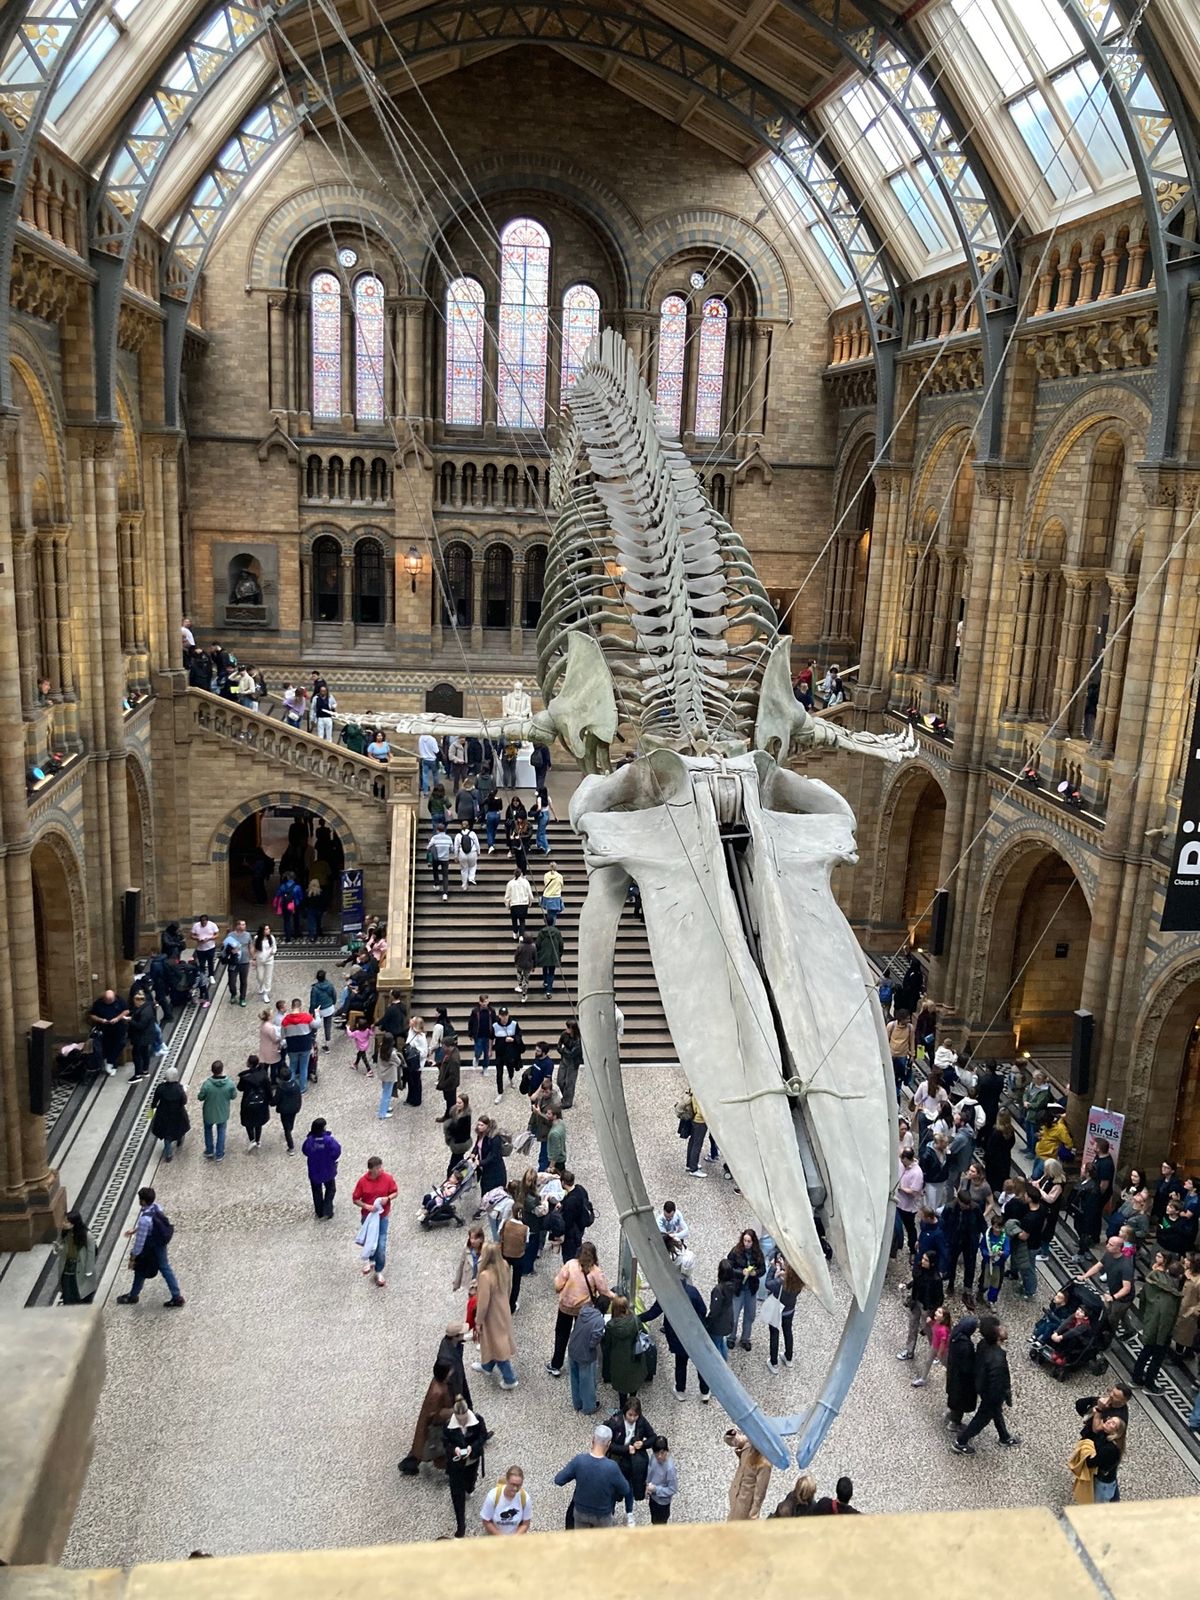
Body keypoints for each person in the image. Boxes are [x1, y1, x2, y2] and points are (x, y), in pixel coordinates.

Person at [952, 1316, 1018, 1453]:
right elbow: (997, 1384)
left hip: (983, 1387)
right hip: (991, 1395)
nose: (1004, 1328)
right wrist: (1001, 1396)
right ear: (996, 1335)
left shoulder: (983, 1344)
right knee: (982, 1419)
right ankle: (961, 1442)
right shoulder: (998, 1359)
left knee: (997, 1412)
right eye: (1000, 1327)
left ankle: (1004, 1436)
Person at [548, 1241, 610, 1376]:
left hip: (565, 1307)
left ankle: (556, 1365)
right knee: (581, 1336)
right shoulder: (595, 1271)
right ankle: (579, 1363)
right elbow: (604, 1291)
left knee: (561, 1335)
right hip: (584, 1310)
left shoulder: (570, 1264)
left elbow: (558, 1285)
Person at [116, 1186, 184, 1307]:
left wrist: (133, 1257)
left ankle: (133, 1295)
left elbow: (139, 1244)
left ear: (142, 1201)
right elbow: (152, 1225)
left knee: (140, 1269)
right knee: (165, 1268)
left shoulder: (144, 1220)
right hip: (160, 1244)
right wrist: (137, 1230)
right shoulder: (157, 1207)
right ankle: (176, 1295)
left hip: (150, 1247)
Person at [554, 1425, 630, 1530]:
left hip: (580, 1512)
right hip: (602, 1514)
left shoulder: (579, 1461)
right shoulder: (612, 1467)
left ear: (593, 1440)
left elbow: (559, 1480)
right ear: (609, 1444)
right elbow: (625, 1489)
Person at [1131, 1251, 1184, 1392]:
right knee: (1157, 1357)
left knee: (1145, 1352)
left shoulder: (1154, 1282)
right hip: (1160, 1331)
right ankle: (1149, 1384)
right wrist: (1164, 1337)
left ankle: (1136, 1378)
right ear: (1179, 1276)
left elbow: (1142, 1299)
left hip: (1150, 1322)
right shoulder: (1170, 1297)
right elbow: (1166, 1318)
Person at [471, 1240, 519, 1388]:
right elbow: (509, 1287)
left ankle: (510, 1378)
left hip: (492, 1314)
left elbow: (483, 1302)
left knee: (497, 1344)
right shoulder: (503, 1266)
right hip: (502, 1308)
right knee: (496, 1340)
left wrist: (478, 1322)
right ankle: (487, 1365)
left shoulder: (485, 1275)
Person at [398, 1359, 454, 1477]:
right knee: (438, 1449)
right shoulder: (437, 1392)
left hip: (429, 1425)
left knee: (423, 1446)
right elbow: (434, 1413)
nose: (452, 1372)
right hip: (435, 1427)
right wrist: (450, 1412)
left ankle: (410, 1464)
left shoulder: (438, 1384)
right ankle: (451, 1470)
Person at [606, 1394, 656, 1524]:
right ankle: (610, 1514)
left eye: (635, 1415)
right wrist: (626, 1449)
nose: (633, 1418)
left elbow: (652, 1437)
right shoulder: (615, 1422)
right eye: (630, 1415)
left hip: (632, 1462)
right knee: (613, 1489)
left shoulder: (641, 1422)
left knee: (629, 1488)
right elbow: (608, 1444)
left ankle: (629, 1513)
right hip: (617, 1460)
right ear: (624, 1413)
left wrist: (643, 1444)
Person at [443, 1396, 488, 1537]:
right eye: (459, 1418)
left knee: (470, 1481)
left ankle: (470, 1487)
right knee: (457, 1494)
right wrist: (454, 1449)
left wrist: (472, 1448)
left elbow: (483, 1436)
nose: (462, 1422)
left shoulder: (477, 1420)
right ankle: (460, 1526)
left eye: (464, 1418)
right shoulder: (448, 1425)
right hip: (456, 1463)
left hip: (472, 1460)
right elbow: (445, 1443)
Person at [352, 1155, 397, 1285]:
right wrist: (366, 1206)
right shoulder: (362, 1182)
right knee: (370, 1241)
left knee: (381, 1245)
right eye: (378, 1168)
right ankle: (371, 1261)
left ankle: (379, 1270)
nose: (380, 1170)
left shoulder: (387, 1178)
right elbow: (355, 1199)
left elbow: (395, 1192)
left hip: (382, 1217)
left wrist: (387, 1198)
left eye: (380, 1167)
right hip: (368, 1217)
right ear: (371, 1169)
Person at [897, 1249, 944, 1362]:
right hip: (916, 1301)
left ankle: (935, 1352)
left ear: (931, 1263)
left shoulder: (936, 1279)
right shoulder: (919, 1269)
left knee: (928, 1330)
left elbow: (939, 1298)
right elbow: (917, 1280)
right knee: (912, 1325)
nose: (922, 1261)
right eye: (923, 1258)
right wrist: (907, 1286)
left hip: (927, 1307)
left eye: (926, 1260)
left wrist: (932, 1313)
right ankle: (909, 1351)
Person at [1081, 1235, 1136, 1330]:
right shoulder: (1109, 1254)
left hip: (1122, 1299)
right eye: (1108, 1243)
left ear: (1119, 1248)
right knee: (1120, 1314)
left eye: (1111, 1245)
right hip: (1112, 1290)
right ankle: (1130, 1330)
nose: (1107, 1246)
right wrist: (1085, 1276)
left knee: (1112, 1318)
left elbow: (1126, 1288)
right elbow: (1098, 1266)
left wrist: (1113, 1297)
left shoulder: (1126, 1265)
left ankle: (1108, 1336)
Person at [603, 1297, 649, 1411]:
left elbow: (606, 1345)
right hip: (635, 1357)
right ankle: (633, 1403)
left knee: (621, 1387)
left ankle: (623, 1408)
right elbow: (645, 1333)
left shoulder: (610, 1326)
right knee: (634, 1381)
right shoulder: (635, 1320)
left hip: (618, 1360)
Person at [568, 1289, 606, 1415]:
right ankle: (589, 1407)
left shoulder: (584, 1310)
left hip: (573, 1348)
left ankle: (577, 1403)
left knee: (574, 1377)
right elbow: (593, 1342)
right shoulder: (599, 1321)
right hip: (585, 1355)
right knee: (587, 1381)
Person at [727, 1228, 766, 1350]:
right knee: (734, 1314)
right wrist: (741, 1272)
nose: (746, 1243)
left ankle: (745, 1338)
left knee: (750, 1315)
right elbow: (728, 1267)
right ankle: (731, 1337)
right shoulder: (736, 1251)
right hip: (738, 1288)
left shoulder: (758, 1254)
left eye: (749, 1241)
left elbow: (763, 1269)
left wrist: (755, 1273)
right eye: (745, 1240)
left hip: (751, 1289)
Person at [725, 1427, 771, 1520]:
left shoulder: (764, 1462)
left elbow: (760, 1491)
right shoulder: (749, 1444)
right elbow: (732, 1441)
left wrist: (754, 1513)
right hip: (736, 1496)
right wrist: (731, 1434)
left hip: (745, 1504)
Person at [55, 1211, 99, 1304]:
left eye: (66, 1222)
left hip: (81, 1267)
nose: (63, 1223)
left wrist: (88, 1270)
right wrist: (59, 1248)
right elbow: (65, 1248)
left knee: (80, 1291)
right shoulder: (66, 1233)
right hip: (67, 1267)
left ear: (74, 1223)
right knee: (68, 1291)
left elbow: (91, 1254)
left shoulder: (87, 1235)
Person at [197, 1059, 237, 1160]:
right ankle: (219, 1153)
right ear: (222, 1070)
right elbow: (233, 1096)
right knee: (221, 1131)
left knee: (208, 1130)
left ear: (212, 1070)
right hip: (223, 1112)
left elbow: (200, 1097)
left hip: (208, 1112)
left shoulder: (207, 1084)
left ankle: (209, 1150)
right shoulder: (229, 1084)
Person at [302, 1117, 340, 1219]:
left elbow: (305, 1151)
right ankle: (327, 1209)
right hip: (328, 1169)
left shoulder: (309, 1140)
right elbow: (336, 1151)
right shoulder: (329, 1140)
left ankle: (319, 1211)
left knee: (316, 1191)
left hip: (314, 1170)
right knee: (331, 1189)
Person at [481, 1465, 532, 1536]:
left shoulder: (525, 1498)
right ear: (507, 1481)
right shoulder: (493, 1496)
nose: (515, 1488)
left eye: (518, 1485)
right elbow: (486, 1521)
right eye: (513, 1484)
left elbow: (526, 1523)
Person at [892, 1148, 925, 1257]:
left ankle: (913, 1250)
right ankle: (895, 1247)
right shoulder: (901, 1164)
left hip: (908, 1207)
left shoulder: (917, 1173)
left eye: (902, 1159)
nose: (901, 1161)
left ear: (907, 1158)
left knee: (910, 1228)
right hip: (897, 1202)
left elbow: (914, 1192)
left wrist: (901, 1188)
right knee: (895, 1227)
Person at [89, 988, 130, 1075]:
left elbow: (126, 1010)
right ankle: (111, 1064)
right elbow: (92, 1015)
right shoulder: (98, 1003)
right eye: (108, 1000)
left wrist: (117, 1018)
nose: (110, 1001)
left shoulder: (119, 1000)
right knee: (108, 1046)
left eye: (111, 1000)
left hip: (118, 1027)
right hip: (105, 1028)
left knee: (121, 1043)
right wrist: (101, 1020)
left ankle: (110, 1061)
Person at [282, 998, 317, 1093]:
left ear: (292, 1006)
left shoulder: (285, 1020)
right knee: (303, 1067)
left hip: (292, 1047)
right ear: (300, 1007)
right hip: (305, 1046)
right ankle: (302, 1087)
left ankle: (290, 1087)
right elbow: (316, 1025)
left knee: (292, 1067)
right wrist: (317, 1014)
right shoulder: (306, 1017)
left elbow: (283, 1035)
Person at [237, 1054, 271, 1149]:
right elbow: (268, 1088)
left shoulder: (245, 1076)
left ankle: (252, 1139)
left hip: (248, 1101)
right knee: (259, 1122)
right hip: (261, 1100)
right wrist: (269, 1100)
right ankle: (258, 1140)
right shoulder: (263, 1074)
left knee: (248, 1121)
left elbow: (240, 1088)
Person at [492, 1007, 522, 1103]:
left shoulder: (514, 1024)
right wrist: (489, 1050)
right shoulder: (495, 1025)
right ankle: (500, 1092)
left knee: (510, 1068)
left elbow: (519, 1035)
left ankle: (511, 1077)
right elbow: (491, 1038)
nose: (504, 1017)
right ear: (499, 1016)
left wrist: (513, 1039)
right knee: (499, 1073)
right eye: (502, 1015)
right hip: (499, 1052)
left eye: (506, 1015)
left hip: (510, 1052)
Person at [646, 1437, 678, 1525]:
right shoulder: (653, 1457)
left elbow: (673, 1489)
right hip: (653, 1498)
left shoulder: (670, 1468)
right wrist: (647, 1486)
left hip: (662, 1503)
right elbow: (650, 1471)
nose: (659, 1456)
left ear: (666, 1451)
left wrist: (656, 1489)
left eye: (662, 1453)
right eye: (657, 1453)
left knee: (660, 1524)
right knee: (654, 1520)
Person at [221, 919, 252, 1006]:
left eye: (244, 924)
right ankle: (233, 993)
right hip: (233, 962)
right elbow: (224, 947)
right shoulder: (230, 935)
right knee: (231, 981)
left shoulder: (248, 935)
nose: (244, 926)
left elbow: (250, 946)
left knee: (243, 981)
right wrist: (230, 952)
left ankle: (242, 998)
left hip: (244, 961)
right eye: (242, 925)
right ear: (237, 926)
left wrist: (253, 958)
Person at [534, 918, 563, 997]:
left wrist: (538, 953)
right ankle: (549, 990)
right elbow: (561, 944)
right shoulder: (557, 932)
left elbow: (537, 944)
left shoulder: (542, 932)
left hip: (544, 954)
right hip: (554, 955)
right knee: (551, 972)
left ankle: (546, 982)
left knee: (544, 968)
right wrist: (560, 954)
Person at [557, 1022, 583, 1109]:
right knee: (560, 1080)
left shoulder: (578, 1040)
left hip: (573, 1062)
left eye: (569, 1027)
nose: (567, 1029)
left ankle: (568, 1101)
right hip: (564, 1060)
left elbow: (572, 1054)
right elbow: (559, 1046)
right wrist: (563, 1050)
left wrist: (563, 1050)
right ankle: (566, 1097)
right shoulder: (564, 1034)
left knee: (569, 1082)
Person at [469, 994, 495, 1075]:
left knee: (487, 1054)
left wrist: (494, 1033)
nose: (484, 1003)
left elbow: (494, 1022)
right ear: (479, 1002)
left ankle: (485, 1068)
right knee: (478, 1051)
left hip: (488, 1035)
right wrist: (470, 1033)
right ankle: (476, 1058)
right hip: (478, 1035)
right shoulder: (475, 1011)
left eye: (486, 1002)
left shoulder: (491, 1011)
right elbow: (471, 1022)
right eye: (483, 1002)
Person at [504, 866, 533, 939]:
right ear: (521, 874)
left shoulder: (510, 883)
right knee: (522, 920)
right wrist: (530, 903)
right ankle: (521, 935)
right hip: (524, 904)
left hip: (514, 904)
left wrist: (507, 905)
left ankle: (515, 932)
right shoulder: (525, 882)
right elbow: (530, 894)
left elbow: (507, 896)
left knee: (514, 919)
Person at [427, 821, 452, 901]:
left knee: (435, 870)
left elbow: (428, 847)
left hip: (436, 858)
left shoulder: (434, 838)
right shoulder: (449, 838)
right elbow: (452, 849)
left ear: (437, 830)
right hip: (445, 859)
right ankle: (445, 893)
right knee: (445, 876)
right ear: (444, 830)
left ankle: (437, 884)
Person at [253, 925, 277, 1003]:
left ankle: (266, 993)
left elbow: (274, 947)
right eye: (266, 929)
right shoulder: (257, 938)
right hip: (259, 960)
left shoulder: (271, 938)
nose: (268, 930)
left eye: (268, 929)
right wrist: (253, 959)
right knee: (260, 976)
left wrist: (273, 952)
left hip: (269, 960)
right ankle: (261, 986)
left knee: (268, 977)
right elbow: (255, 948)